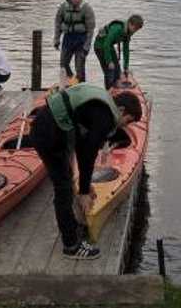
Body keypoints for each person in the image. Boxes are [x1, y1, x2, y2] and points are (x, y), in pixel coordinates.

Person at [31, 82, 143, 259]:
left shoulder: (102, 107)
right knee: (64, 188)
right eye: (127, 121)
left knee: (66, 179)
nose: (124, 126)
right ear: (120, 110)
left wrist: (86, 182)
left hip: (51, 130)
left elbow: (82, 146)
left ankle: (72, 226)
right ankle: (71, 246)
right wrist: (83, 191)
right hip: (48, 135)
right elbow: (87, 152)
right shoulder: (105, 118)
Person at [54, 0, 96, 83]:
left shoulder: (87, 9)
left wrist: (87, 46)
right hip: (67, 38)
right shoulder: (63, 7)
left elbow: (90, 29)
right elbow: (58, 23)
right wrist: (56, 39)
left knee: (79, 67)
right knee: (63, 65)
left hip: (81, 40)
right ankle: (72, 82)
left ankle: (82, 86)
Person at [93, 15, 144, 89]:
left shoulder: (128, 33)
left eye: (137, 30)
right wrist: (109, 61)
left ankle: (116, 90)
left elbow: (126, 50)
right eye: (134, 28)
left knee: (117, 71)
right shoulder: (117, 28)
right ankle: (109, 91)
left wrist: (126, 67)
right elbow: (106, 43)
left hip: (109, 47)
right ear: (129, 24)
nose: (135, 31)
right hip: (100, 47)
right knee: (110, 71)